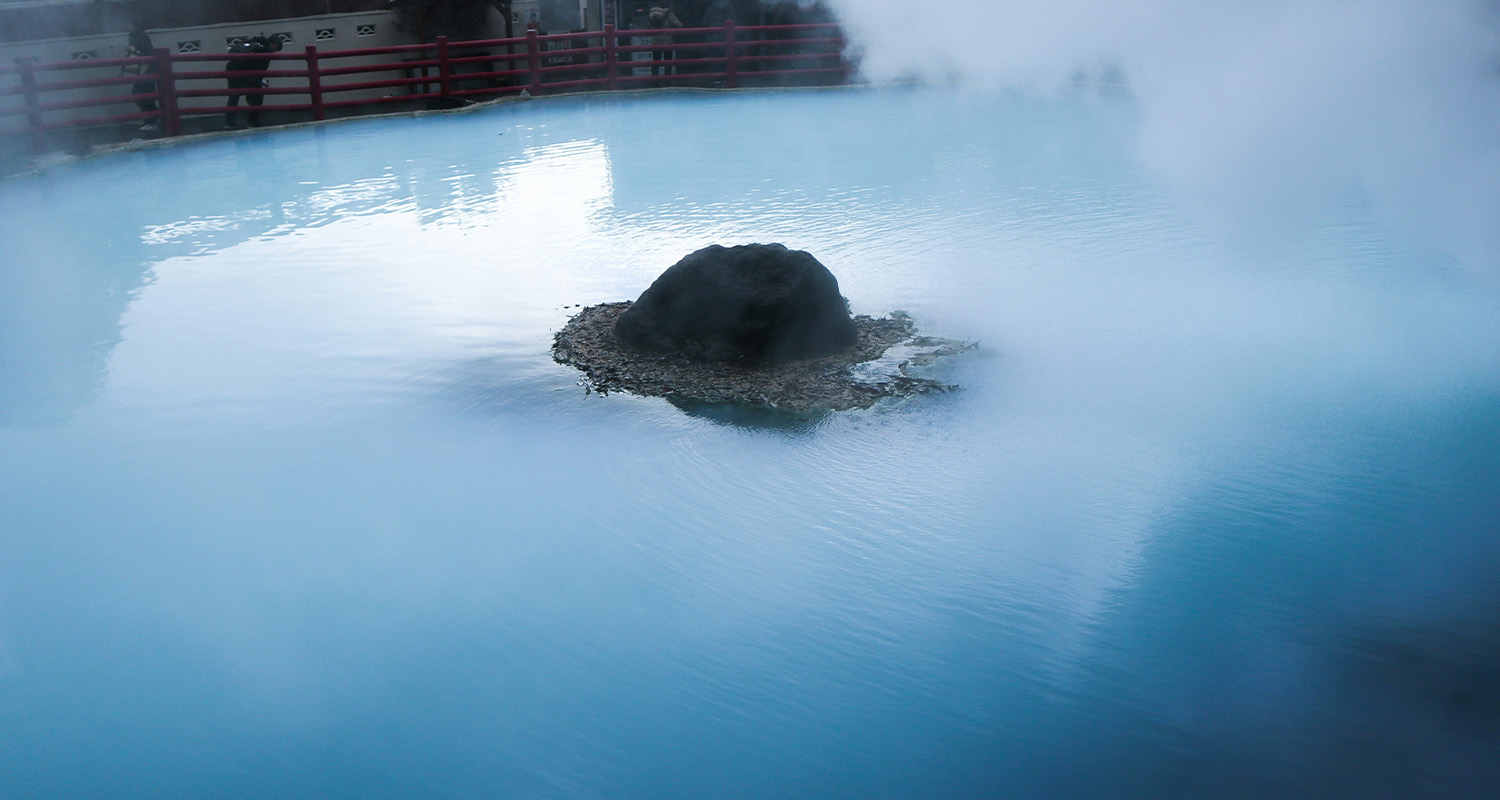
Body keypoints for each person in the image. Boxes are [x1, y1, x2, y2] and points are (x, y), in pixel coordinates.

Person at [224, 34, 282, 129]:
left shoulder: (253, 42)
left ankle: (229, 122)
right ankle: (253, 122)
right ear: (274, 44)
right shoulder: (266, 50)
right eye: (276, 49)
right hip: (248, 72)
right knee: (257, 95)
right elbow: (261, 70)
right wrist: (260, 81)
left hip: (232, 68)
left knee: (233, 97)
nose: (274, 52)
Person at [121, 23, 158, 132]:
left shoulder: (138, 37)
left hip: (145, 71)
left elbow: (146, 53)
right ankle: (154, 118)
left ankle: (151, 120)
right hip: (147, 70)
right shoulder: (141, 36)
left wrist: (133, 51)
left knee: (140, 96)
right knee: (144, 96)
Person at [647, 6, 682, 78]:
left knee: (655, 62)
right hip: (667, 42)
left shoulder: (651, 14)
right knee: (668, 62)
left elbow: (648, 27)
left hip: (655, 43)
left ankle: (654, 81)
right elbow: (678, 25)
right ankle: (667, 81)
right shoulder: (668, 13)